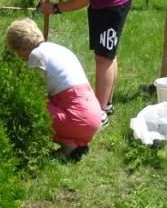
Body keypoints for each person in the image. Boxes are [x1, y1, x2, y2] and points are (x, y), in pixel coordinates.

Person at [23, 0, 133, 126]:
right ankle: (106, 105)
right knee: (106, 53)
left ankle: (98, 113)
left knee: (103, 57)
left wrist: (55, 8)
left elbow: (83, 0)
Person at [6, 18, 101, 161]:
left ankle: (68, 145)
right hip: (93, 115)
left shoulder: (36, 55)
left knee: (27, 107)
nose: (19, 57)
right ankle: (76, 141)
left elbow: (33, 94)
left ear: (22, 48)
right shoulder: (56, 48)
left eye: (17, 52)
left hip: (78, 118)